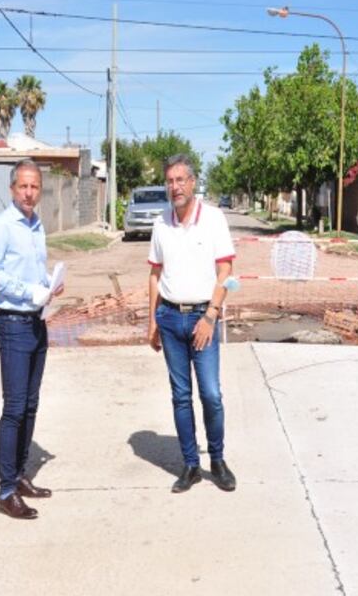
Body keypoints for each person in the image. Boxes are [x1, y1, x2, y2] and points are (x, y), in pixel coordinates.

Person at [147, 154, 237, 493]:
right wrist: (152, 321)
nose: (175, 186)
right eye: (170, 181)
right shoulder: (160, 223)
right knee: (181, 396)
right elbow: (155, 274)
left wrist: (211, 315)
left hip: (204, 318)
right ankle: (190, 465)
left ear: (193, 182)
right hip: (169, 318)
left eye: (181, 179)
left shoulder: (213, 219)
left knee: (211, 394)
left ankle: (217, 459)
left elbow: (226, 272)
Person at [0, 159, 63, 519]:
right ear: (13, 189)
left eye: (34, 187)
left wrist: (48, 284)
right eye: (23, 187)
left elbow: (32, 270)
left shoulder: (36, 226)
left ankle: (19, 474)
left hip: (36, 321)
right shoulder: (2, 227)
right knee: (14, 408)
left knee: (31, 404)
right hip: (13, 323)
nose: (29, 193)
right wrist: (28, 292)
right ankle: (5, 492)